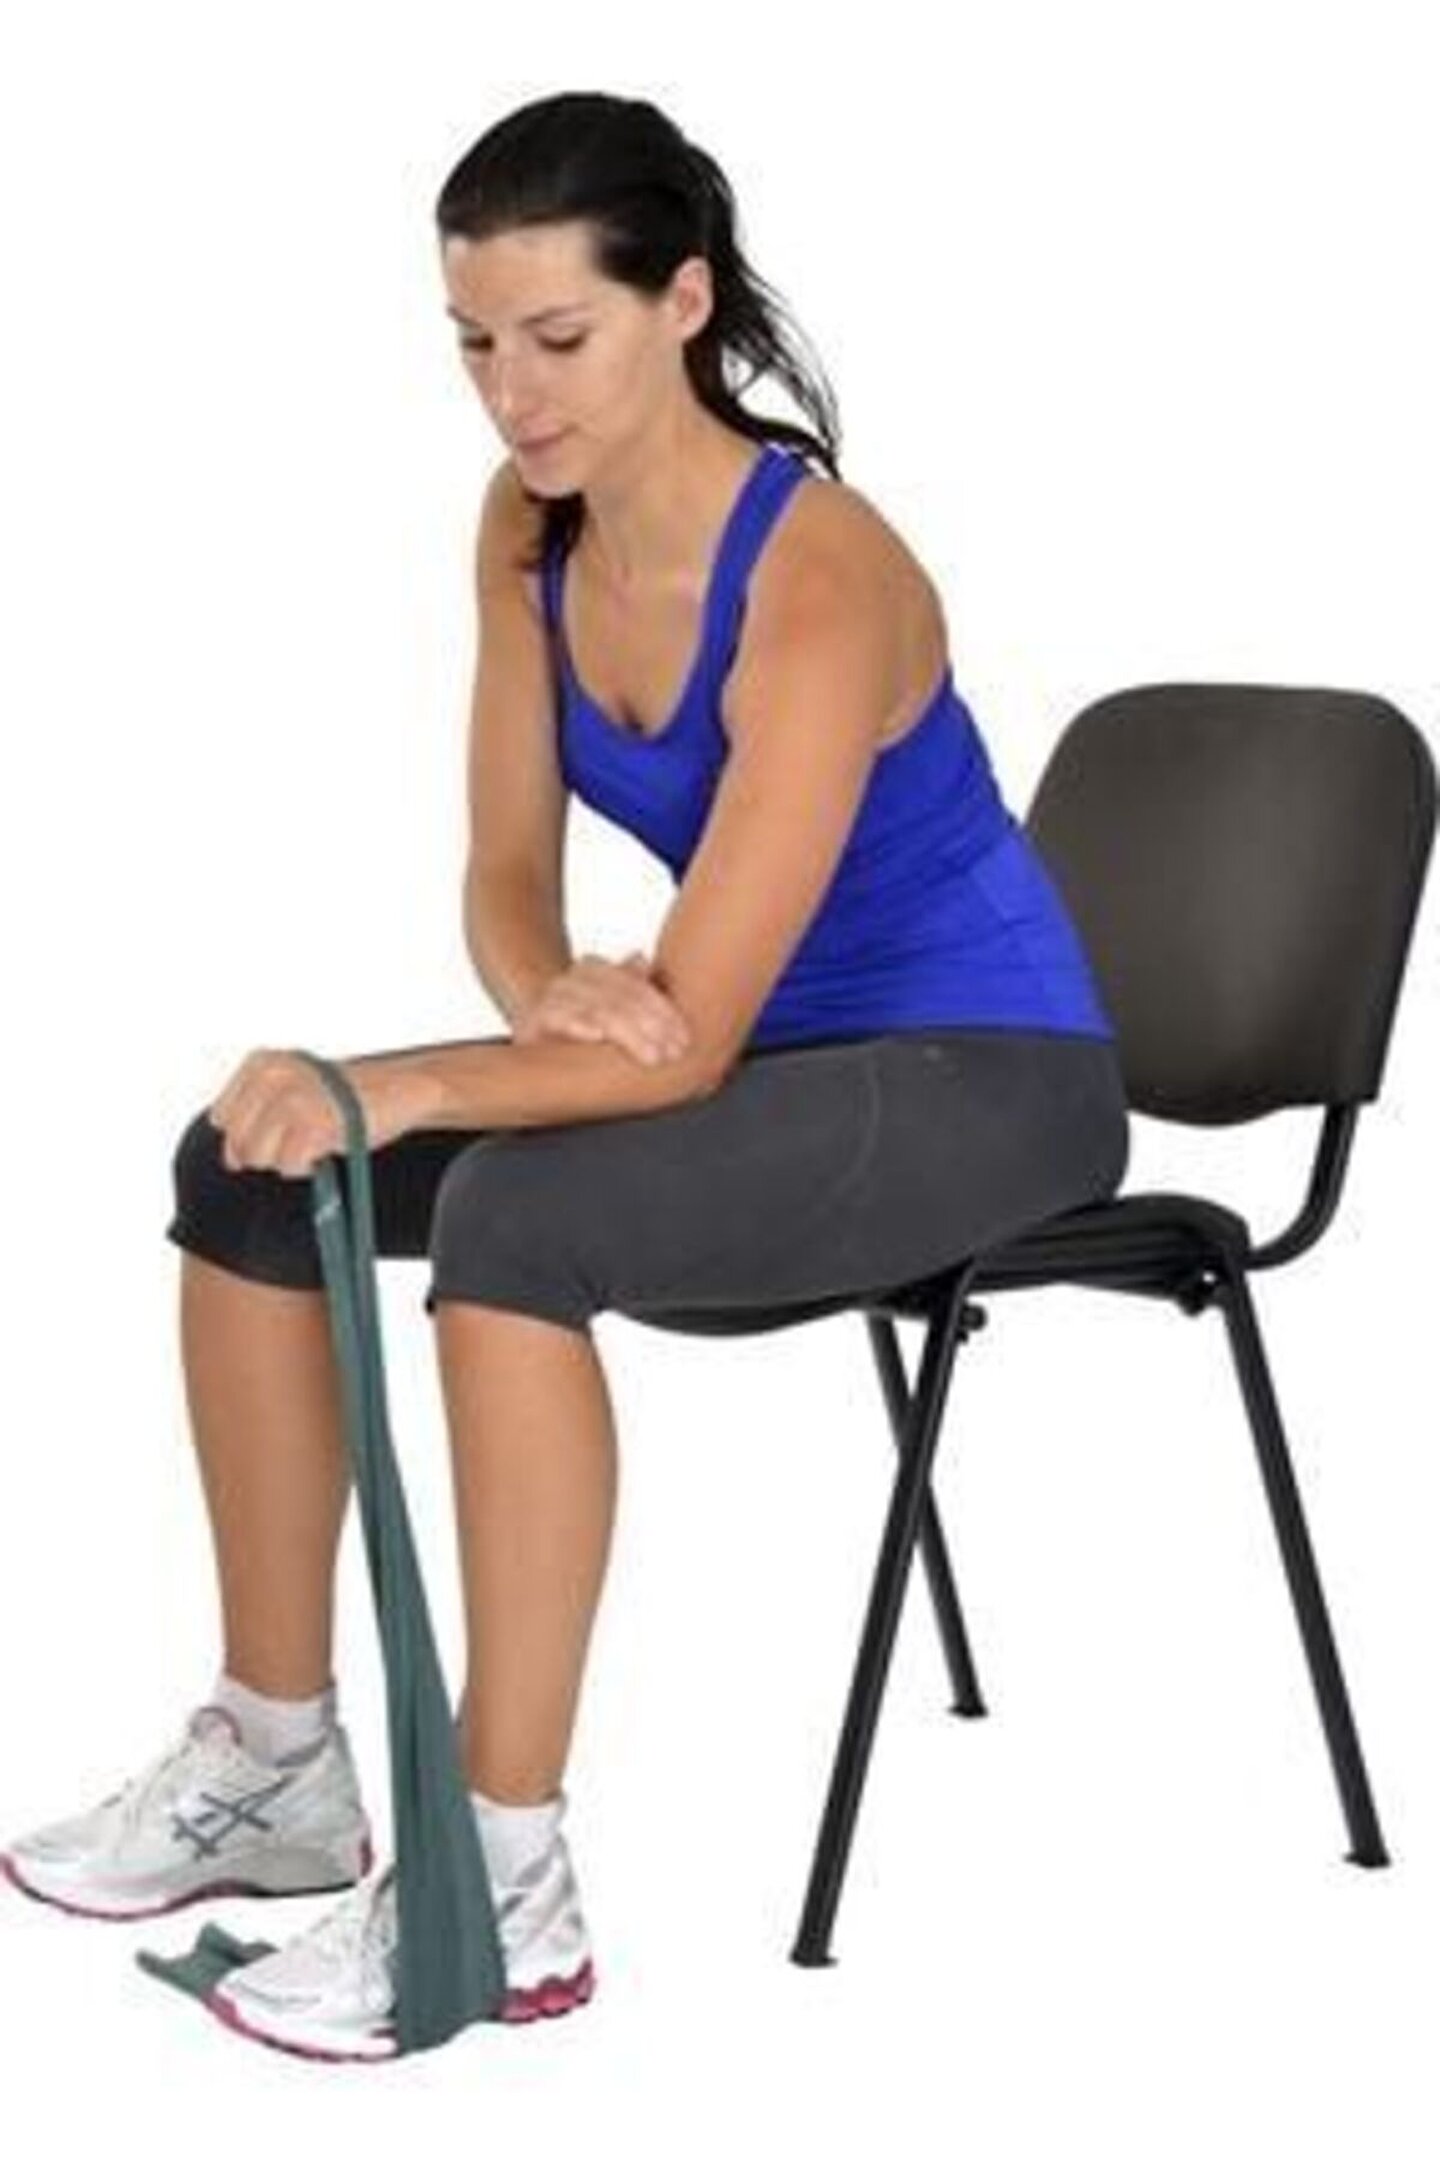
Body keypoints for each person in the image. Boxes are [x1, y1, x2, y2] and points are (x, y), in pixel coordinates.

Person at [1, 90, 1130, 2062]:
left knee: (507, 1209)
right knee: (246, 1166)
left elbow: (689, 1044)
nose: (509, 395)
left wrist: (410, 1083)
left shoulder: (823, 577)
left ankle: (502, 1872)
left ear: (682, 303)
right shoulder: (527, 529)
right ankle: (277, 1761)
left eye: (557, 338)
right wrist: (544, 999)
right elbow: (508, 877)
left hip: (986, 1077)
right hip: (758, 1052)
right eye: (471, 343)